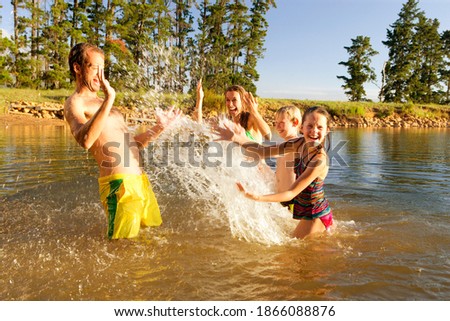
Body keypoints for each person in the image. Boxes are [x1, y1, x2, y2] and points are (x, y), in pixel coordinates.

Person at [64, 43, 181, 240]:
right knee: (123, 249)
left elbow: (131, 145)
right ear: (77, 68)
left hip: (140, 183)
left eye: (103, 69)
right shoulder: (75, 102)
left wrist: (158, 128)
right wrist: (110, 100)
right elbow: (85, 140)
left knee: (153, 240)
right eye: (94, 68)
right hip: (118, 186)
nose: (100, 75)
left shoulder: (103, 103)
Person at [217, 106, 333, 239]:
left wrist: (258, 197)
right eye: (310, 126)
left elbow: (291, 193)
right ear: (302, 127)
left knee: (291, 254)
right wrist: (236, 138)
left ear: (327, 131)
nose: (314, 131)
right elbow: (263, 151)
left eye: (320, 127)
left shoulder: (319, 160)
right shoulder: (299, 143)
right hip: (312, 210)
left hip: (315, 215)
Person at [194, 81, 271, 142]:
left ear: (242, 102)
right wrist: (199, 98)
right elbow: (199, 126)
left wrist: (254, 112)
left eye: (234, 100)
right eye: (228, 100)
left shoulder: (250, 118)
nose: (230, 104)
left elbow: (268, 136)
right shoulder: (225, 120)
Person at [273, 106, 302, 210]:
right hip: (282, 200)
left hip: (292, 201)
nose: (277, 127)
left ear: (295, 122)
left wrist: (240, 139)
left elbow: (265, 151)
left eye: (281, 122)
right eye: (276, 123)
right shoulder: (285, 144)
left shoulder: (296, 144)